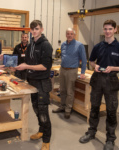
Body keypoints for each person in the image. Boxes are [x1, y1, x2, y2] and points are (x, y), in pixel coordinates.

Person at [79, 20, 119, 150]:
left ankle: (110, 139)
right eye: (105, 29)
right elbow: (91, 61)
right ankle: (91, 132)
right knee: (94, 107)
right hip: (97, 79)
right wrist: (95, 66)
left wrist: (113, 68)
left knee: (111, 110)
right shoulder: (98, 46)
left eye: (110, 29)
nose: (107, 31)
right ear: (103, 30)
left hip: (111, 81)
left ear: (115, 30)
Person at [15, 20, 53, 150]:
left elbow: (45, 66)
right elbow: (27, 62)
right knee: (36, 109)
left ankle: (46, 140)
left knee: (43, 113)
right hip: (32, 82)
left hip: (42, 83)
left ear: (41, 29)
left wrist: (27, 66)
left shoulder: (46, 45)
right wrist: (18, 67)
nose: (34, 31)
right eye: (32, 29)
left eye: (36, 29)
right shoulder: (31, 45)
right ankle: (41, 131)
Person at [52, 28, 87, 119]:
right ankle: (62, 106)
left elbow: (84, 60)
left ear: (74, 35)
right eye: (68, 33)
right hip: (62, 69)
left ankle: (68, 110)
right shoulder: (63, 44)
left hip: (72, 70)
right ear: (66, 34)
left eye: (71, 34)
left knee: (69, 91)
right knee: (62, 90)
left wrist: (82, 72)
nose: (69, 35)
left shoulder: (79, 45)